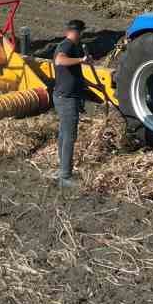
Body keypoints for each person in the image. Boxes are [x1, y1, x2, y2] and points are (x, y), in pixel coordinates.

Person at [52, 19, 93, 189]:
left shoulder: (74, 46)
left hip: (68, 96)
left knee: (64, 134)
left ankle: (62, 170)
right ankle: (65, 176)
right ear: (76, 31)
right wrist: (81, 60)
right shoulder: (66, 45)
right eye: (82, 32)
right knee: (69, 136)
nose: (82, 36)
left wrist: (92, 85)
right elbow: (60, 61)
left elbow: (74, 75)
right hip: (66, 99)